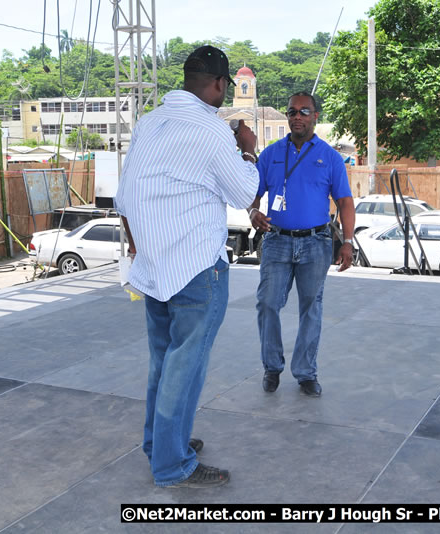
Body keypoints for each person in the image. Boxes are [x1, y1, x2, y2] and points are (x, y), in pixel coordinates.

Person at [115, 46, 259, 488]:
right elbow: (244, 195)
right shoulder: (212, 131)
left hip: (154, 267)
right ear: (219, 85)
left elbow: (126, 196)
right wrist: (248, 151)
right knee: (186, 367)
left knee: (164, 362)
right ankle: (172, 465)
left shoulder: (149, 123)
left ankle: (162, 444)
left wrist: (140, 250)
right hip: (196, 269)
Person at [247, 92, 355, 397]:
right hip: (277, 241)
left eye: (303, 112)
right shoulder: (270, 154)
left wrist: (347, 242)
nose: (297, 117)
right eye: (292, 111)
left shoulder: (330, 157)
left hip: (316, 243)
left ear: (315, 116)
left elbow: (345, 201)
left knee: (311, 308)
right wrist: (254, 211)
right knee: (267, 304)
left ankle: (306, 372)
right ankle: (272, 367)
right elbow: (252, 193)